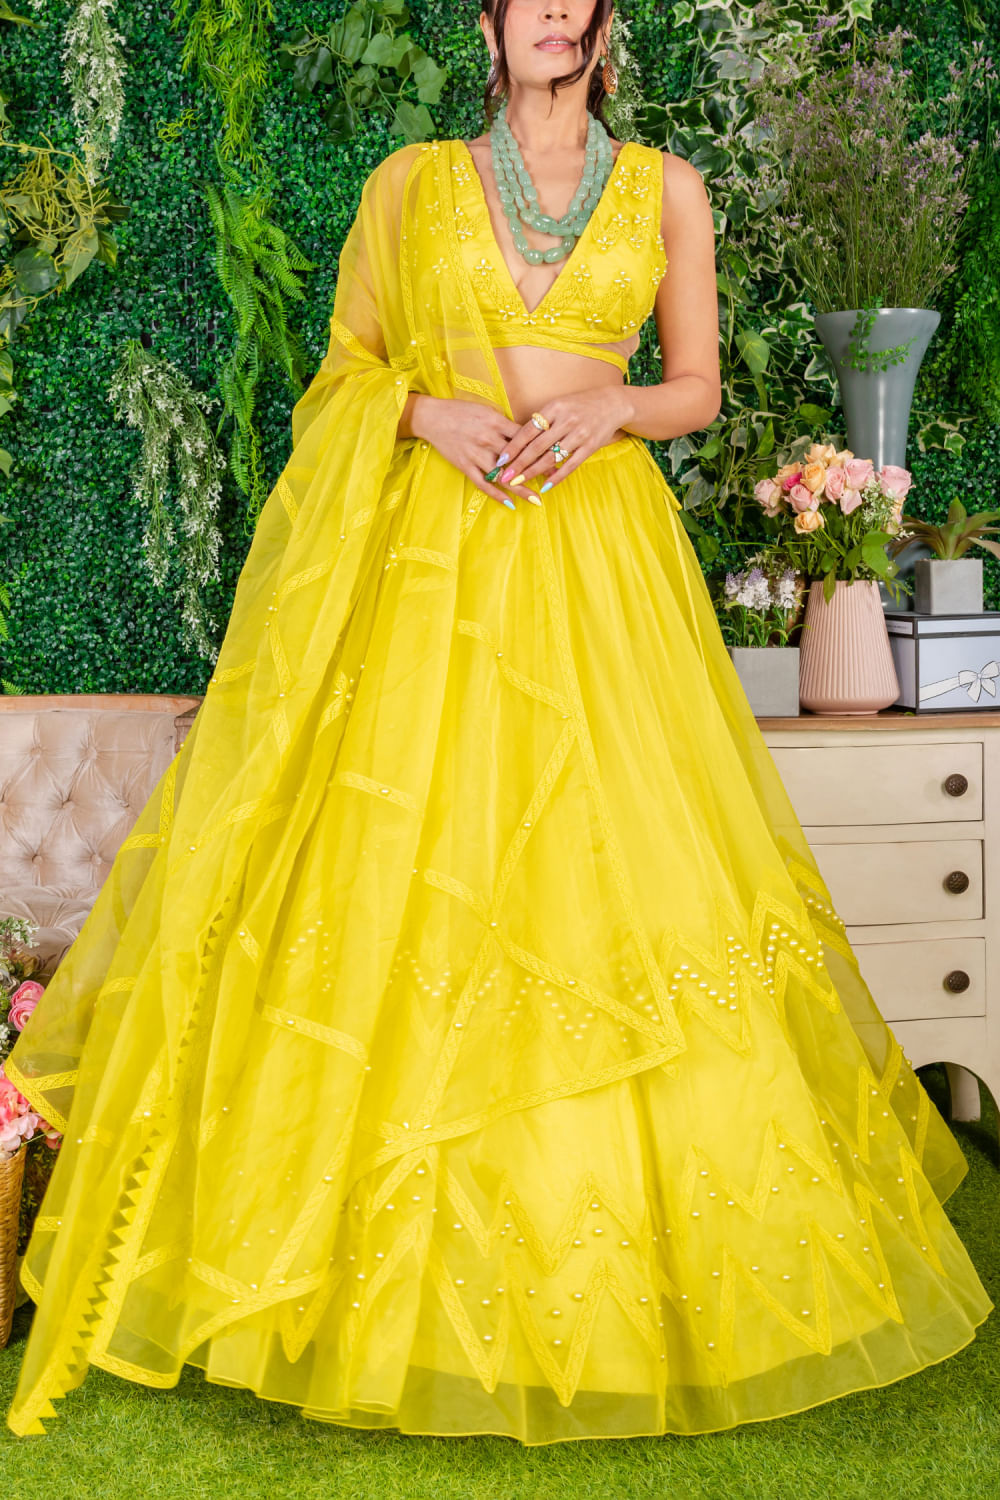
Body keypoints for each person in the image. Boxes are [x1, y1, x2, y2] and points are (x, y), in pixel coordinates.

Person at [4, 0, 991, 1446]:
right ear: (492, 21)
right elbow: (345, 372)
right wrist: (425, 417)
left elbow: (698, 388)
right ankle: (351, 1293)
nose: (553, 14)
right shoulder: (410, 185)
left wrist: (614, 412)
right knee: (405, 880)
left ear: (600, 25)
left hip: (601, 563)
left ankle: (634, 1281)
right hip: (430, 567)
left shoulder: (668, 188)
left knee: (621, 875)